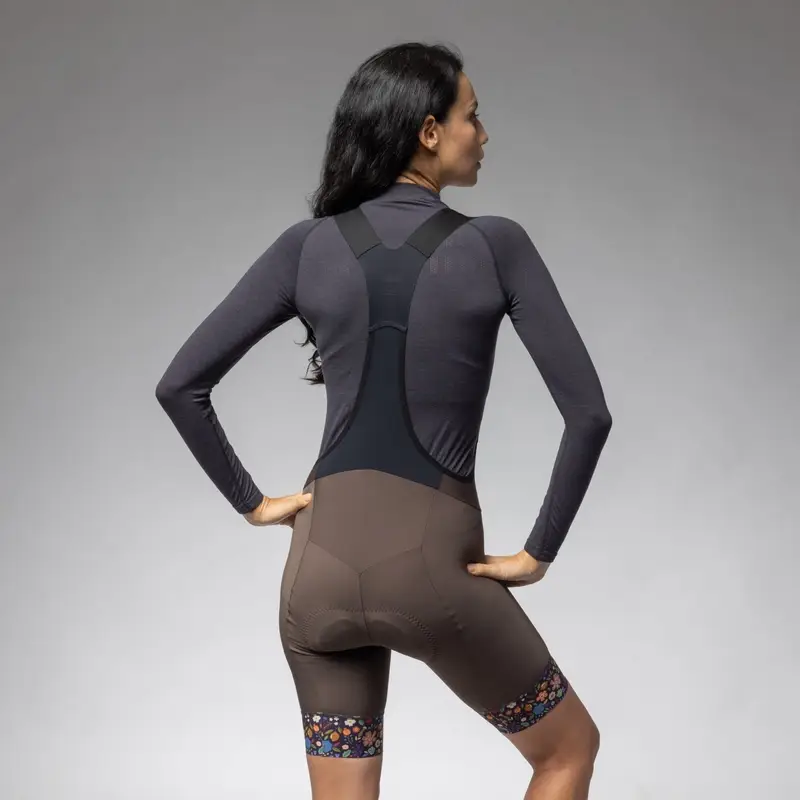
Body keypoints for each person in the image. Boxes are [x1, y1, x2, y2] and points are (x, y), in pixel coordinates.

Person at [155, 40, 612, 800]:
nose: (484, 133)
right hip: (431, 571)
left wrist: (255, 504)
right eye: (473, 115)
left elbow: (180, 386)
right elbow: (588, 414)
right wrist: (539, 552)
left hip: (316, 576)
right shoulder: (496, 244)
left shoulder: (305, 247)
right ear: (429, 131)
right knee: (567, 751)